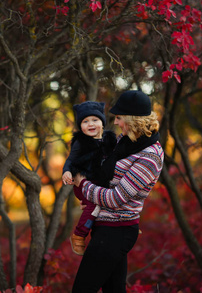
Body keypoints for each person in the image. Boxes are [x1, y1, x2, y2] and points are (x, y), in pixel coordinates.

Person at [71, 90, 164, 293]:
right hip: (104, 225)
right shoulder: (126, 141)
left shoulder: (150, 156)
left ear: (132, 119)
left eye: (120, 118)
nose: (117, 122)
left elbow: (116, 198)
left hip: (117, 230)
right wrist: (91, 197)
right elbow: (106, 175)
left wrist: (84, 186)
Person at [62, 101, 116, 256]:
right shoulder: (80, 142)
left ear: (102, 123)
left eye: (95, 120)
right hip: (82, 181)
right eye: (85, 121)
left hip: (100, 182)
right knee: (95, 205)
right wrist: (66, 171)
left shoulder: (110, 140)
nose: (90, 124)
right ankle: (79, 234)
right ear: (80, 126)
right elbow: (70, 160)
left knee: (107, 202)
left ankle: (122, 223)